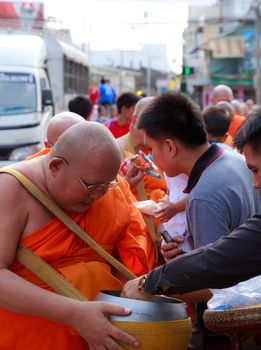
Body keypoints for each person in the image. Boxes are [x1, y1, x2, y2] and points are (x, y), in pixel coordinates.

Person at [122, 92, 261, 349]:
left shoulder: (203, 195)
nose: (152, 159)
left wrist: (153, 286)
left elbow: (214, 284)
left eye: (151, 149)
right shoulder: (230, 156)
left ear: (170, 147)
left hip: (227, 332)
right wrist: (183, 259)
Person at [0, 121, 156, 349]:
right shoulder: (12, 189)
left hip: (100, 334)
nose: (99, 196)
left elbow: (126, 252)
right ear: (55, 166)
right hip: (32, 338)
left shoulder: (103, 188)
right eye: (91, 187)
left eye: (107, 185)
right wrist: (73, 313)